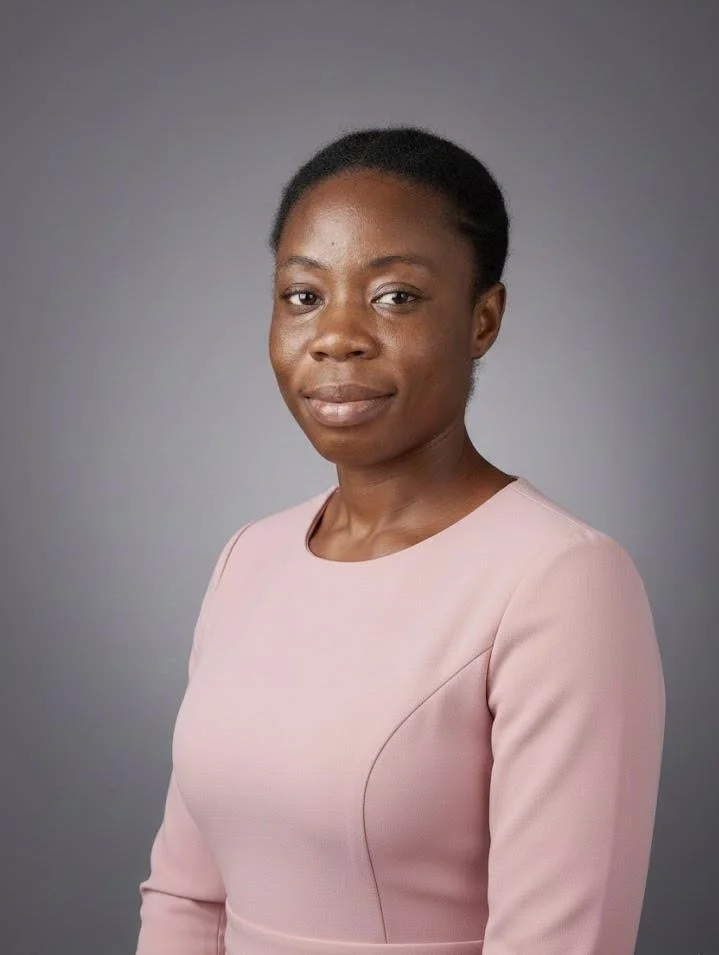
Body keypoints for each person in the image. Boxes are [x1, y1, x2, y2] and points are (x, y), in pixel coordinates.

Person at [134, 126, 666, 955]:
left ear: (482, 319)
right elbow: (184, 896)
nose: (335, 334)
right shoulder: (249, 558)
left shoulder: (561, 581)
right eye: (303, 295)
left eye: (395, 296)